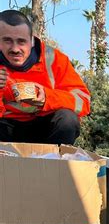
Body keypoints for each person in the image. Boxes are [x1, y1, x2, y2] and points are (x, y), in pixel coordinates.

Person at [0, 9, 90, 144]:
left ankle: (55, 162)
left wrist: (47, 99)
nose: (15, 49)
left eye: (21, 41)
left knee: (68, 119)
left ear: (31, 41)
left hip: (46, 129)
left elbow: (83, 101)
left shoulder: (54, 59)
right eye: (7, 41)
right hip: (5, 129)